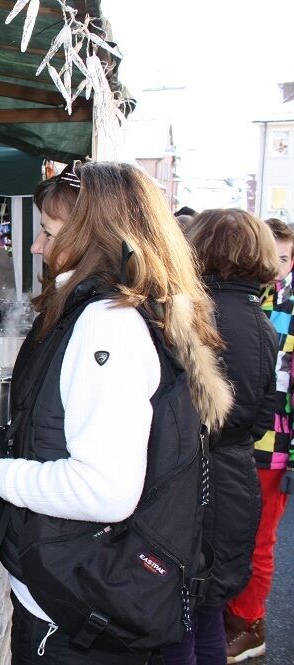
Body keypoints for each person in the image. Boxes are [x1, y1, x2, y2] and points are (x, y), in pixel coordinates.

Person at [0, 162, 232, 664]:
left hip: (77, 606)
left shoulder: (108, 324)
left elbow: (104, 491)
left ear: (92, 234)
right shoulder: (112, 310)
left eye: (47, 231)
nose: (37, 246)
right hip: (78, 590)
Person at [159, 209, 278, 665]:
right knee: (208, 616)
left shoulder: (192, 314)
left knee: (176, 626)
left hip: (191, 484)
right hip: (235, 481)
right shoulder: (263, 326)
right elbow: (262, 417)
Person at [225, 217, 294, 662]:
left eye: (285, 257)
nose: (276, 265)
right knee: (233, 533)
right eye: (272, 255)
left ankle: (249, 624)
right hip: (240, 436)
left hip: (275, 441)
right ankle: (235, 615)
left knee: (260, 539)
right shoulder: (248, 296)